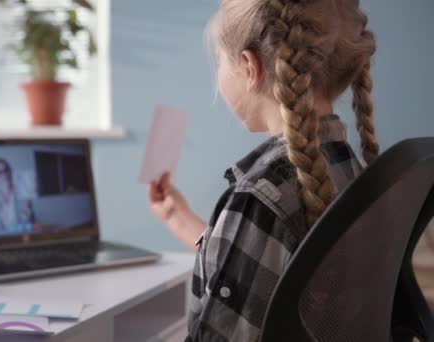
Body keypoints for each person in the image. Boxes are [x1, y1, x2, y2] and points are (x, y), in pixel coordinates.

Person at [148, 0, 377, 340]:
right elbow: (271, 266)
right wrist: (177, 218)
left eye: (220, 61)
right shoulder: (348, 166)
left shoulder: (261, 194)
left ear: (248, 66)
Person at [0, 158, 35, 231]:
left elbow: (31, 223)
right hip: (1, 240)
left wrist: (28, 212)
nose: (5, 174)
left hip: (21, 237)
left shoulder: (23, 192)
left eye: (6, 170)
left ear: (10, 171)